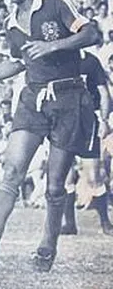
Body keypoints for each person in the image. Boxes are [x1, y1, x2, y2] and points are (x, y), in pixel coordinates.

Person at [0, 0, 101, 272]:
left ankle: (47, 248)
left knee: (55, 185)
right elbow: (18, 62)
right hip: (33, 98)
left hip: (69, 97)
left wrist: (52, 46)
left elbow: (92, 34)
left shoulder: (54, 4)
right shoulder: (11, 22)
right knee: (12, 170)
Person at [62, 51, 113, 236]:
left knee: (93, 175)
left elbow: (104, 93)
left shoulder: (89, 60)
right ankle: (70, 224)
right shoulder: (59, 58)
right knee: (65, 176)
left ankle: (105, 223)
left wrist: (105, 120)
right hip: (64, 122)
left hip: (87, 121)